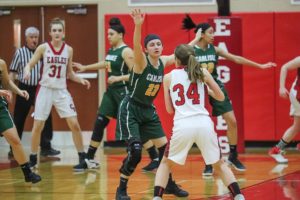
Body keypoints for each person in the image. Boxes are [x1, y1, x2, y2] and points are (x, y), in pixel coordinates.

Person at [182, 14, 276, 176]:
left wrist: (260, 66)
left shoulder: (215, 49)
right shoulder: (192, 51)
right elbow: (181, 53)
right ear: (202, 34)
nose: (214, 35)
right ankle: (209, 162)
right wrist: (196, 39)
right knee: (205, 127)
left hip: (215, 85)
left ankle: (233, 155)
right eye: (211, 32)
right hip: (198, 89)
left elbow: (236, 58)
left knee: (232, 121)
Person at [153, 44, 245, 200]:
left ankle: (156, 198)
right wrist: (206, 90)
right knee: (220, 165)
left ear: (176, 59)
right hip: (204, 124)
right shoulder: (202, 73)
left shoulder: (168, 77)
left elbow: (169, 110)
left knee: (165, 163)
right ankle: (239, 196)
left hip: (182, 125)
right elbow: (221, 97)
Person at [115, 9, 189, 199]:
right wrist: (138, 25)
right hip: (131, 109)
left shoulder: (163, 61)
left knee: (166, 149)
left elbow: (182, 52)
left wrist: (196, 40)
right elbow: (136, 45)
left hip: (148, 110)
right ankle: (121, 189)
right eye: (152, 45)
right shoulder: (141, 62)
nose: (156, 47)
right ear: (146, 49)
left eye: (158, 44)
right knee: (136, 152)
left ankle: (169, 184)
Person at [72, 17, 160, 172]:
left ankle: (154, 157)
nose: (108, 37)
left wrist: (119, 77)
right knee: (100, 122)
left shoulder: (126, 51)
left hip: (124, 92)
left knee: (133, 127)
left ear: (120, 35)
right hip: (111, 92)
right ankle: (89, 158)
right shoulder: (112, 51)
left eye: (111, 34)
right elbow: (106, 64)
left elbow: (137, 74)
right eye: (107, 34)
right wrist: (85, 67)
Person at [23, 18, 90, 169]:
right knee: (38, 125)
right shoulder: (43, 48)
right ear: (50, 33)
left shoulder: (69, 50)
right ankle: (33, 157)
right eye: (54, 30)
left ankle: (82, 158)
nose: (57, 33)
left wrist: (81, 80)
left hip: (61, 91)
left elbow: (70, 74)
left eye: (60, 30)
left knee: (74, 124)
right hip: (45, 90)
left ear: (64, 32)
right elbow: (30, 64)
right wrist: (27, 71)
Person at [9, 26, 60, 159]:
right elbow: (12, 73)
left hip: (39, 88)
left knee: (46, 117)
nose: (34, 39)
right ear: (26, 39)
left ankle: (46, 147)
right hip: (24, 88)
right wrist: (11, 90)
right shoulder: (20, 53)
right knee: (19, 119)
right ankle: (13, 148)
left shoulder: (43, 51)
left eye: (36, 37)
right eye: (31, 37)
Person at [0, 59, 41, 183]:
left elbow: (6, 83)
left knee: (15, 140)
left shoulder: (1, 63)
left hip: (0, 109)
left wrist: (19, 91)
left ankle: (28, 174)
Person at [269, 56, 300, 163]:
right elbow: (284, 67)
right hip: (298, 95)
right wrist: (281, 87)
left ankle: (276, 150)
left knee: (297, 126)